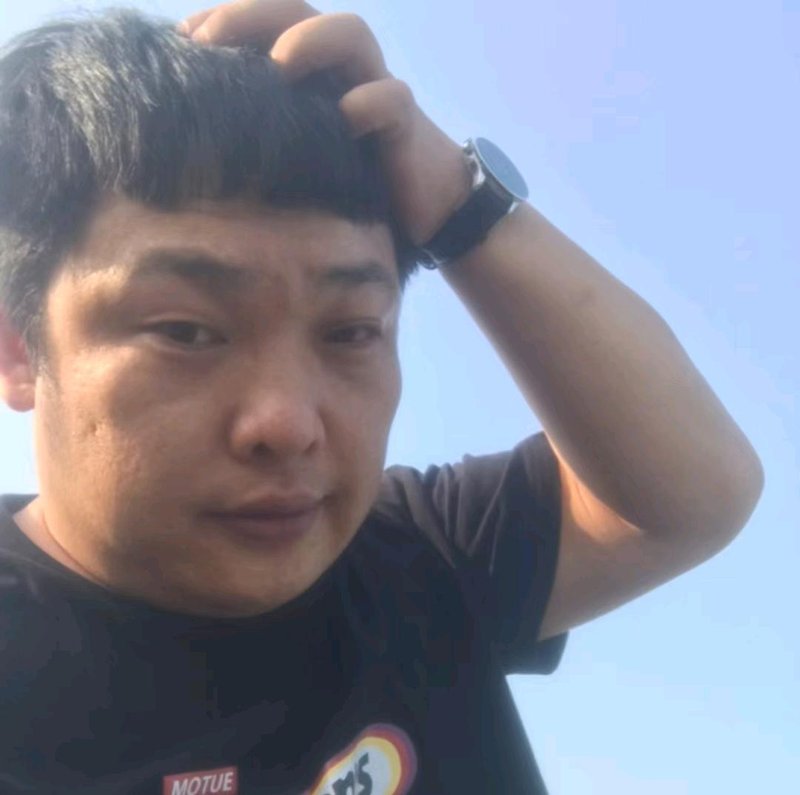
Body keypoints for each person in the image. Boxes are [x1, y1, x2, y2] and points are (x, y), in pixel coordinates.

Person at [0, 2, 763, 793]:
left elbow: (694, 494)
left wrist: (458, 204)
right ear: (19, 347)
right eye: (186, 331)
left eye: (351, 331)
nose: (287, 424)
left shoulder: (419, 556)